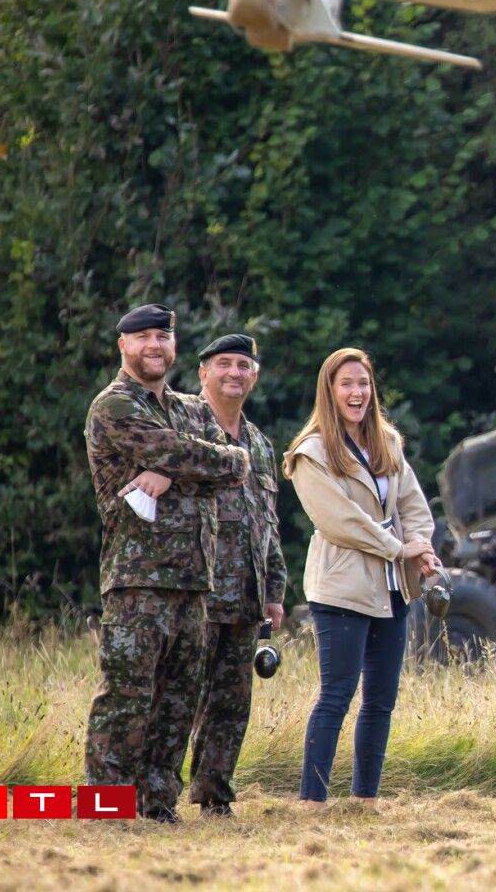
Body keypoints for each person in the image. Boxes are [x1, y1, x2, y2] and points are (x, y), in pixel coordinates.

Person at [83, 303, 249, 823]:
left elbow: (236, 461)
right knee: (127, 698)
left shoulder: (192, 409)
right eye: (143, 337)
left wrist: (170, 471)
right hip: (137, 580)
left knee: (177, 703)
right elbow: (198, 456)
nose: (154, 345)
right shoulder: (113, 406)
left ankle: (157, 805)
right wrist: (189, 464)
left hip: (194, 581)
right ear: (123, 347)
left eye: (163, 336)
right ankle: (107, 808)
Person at [283, 347, 440, 806]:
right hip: (342, 589)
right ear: (329, 391)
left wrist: (422, 549)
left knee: (381, 700)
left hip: (393, 589)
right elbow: (341, 521)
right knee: (336, 695)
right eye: (347, 384)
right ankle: (313, 802)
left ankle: (364, 801)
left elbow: (412, 504)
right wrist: (397, 547)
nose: (357, 393)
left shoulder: (387, 443)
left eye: (364, 384)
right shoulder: (310, 454)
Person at [180, 333, 289, 818]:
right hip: (192, 589)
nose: (234, 373)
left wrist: (274, 589)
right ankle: (154, 798)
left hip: (244, 596)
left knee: (230, 705)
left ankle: (214, 797)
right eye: (223, 364)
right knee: (177, 699)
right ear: (203, 372)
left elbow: (269, 522)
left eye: (243, 365)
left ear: (255, 376)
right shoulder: (183, 427)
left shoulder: (261, 445)